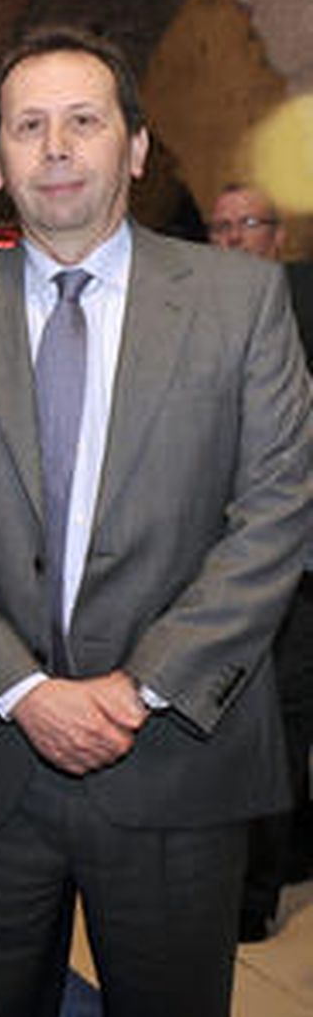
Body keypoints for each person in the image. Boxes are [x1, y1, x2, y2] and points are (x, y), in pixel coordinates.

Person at [0, 26, 313, 1017]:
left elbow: (276, 509)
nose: (56, 145)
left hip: (174, 761)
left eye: (84, 119)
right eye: (28, 126)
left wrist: (140, 687)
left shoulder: (238, 303)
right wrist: (24, 688)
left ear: (135, 147)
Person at [208, 182, 313, 940]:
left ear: (277, 236)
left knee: (282, 718)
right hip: (213, 561)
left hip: (297, 559)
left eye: (249, 224)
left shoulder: (301, 306)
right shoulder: (192, 317)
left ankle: (257, 888)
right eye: (222, 227)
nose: (236, 237)